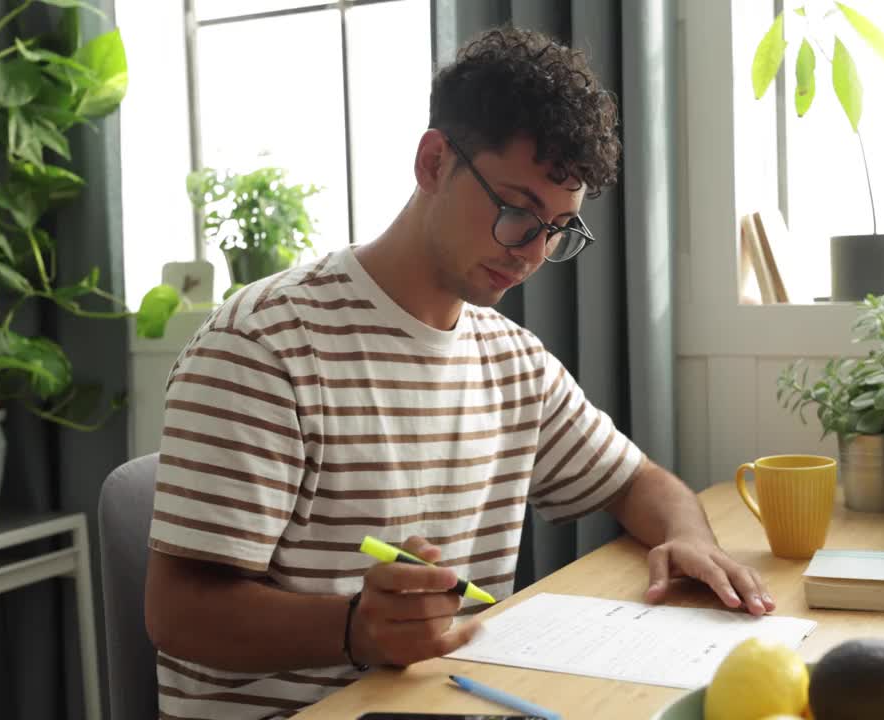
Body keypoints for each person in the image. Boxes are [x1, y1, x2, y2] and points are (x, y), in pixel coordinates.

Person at [143, 25, 774, 719]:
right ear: (433, 162)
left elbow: (638, 481)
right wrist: (355, 629)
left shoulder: (511, 360)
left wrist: (687, 538)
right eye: (517, 211)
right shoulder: (266, 345)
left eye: (559, 228)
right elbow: (177, 614)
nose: (532, 253)